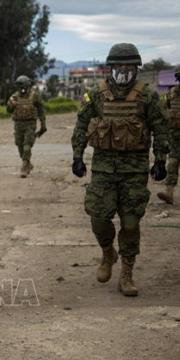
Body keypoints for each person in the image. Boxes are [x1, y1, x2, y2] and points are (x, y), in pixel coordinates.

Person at [71, 43, 169, 297]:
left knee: (130, 222)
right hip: (103, 169)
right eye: (119, 66)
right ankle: (107, 252)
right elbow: (82, 125)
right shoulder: (97, 95)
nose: (124, 70)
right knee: (99, 218)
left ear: (136, 68)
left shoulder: (147, 96)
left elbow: (160, 127)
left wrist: (160, 160)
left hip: (134, 171)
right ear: (110, 68)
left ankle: (127, 272)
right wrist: (77, 156)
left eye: (129, 66)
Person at [6, 75, 46, 178]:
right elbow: (8, 110)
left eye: (22, 86)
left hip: (30, 124)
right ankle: (28, 163)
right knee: (19, 145)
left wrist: (43, 125)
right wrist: (11, 105)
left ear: (27, 85)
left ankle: (24, 168)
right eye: (19, 86)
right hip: (18, 124)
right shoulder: (14, 96)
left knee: (27, 145)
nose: (21, 89)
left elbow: (41, 110)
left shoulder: (34, 95)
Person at [157, 65, 180, 204]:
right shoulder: (172, 93)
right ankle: (169, 193)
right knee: (172, 164)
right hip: (175, 136)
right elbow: (163, 109)